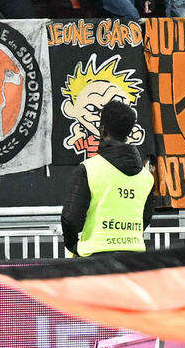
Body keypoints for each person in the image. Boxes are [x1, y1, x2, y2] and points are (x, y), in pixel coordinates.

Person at [59, 94, 153, 257]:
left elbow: (71, 219)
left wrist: (74, 246)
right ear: (128, 132)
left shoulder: (88, 169)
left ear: (102, 129)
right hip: (134, 259)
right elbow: (145, 217)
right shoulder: (146, 178)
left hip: (96, 259)